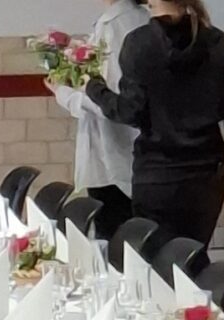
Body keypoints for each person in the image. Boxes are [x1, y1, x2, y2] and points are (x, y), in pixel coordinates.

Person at [84, 0, 224, 247]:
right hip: (206, 174)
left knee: (156, 258)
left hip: (157, 173)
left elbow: (129, 111)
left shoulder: (139, 42)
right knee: (193, 253)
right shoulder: (216, 41)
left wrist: (94, 87)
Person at [49, 0, 154, 236]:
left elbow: (114, 103)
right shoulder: (140, 18)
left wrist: (65, 94)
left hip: (112, 157)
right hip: (137, 155)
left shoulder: (115, 25)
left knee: (116, 239)